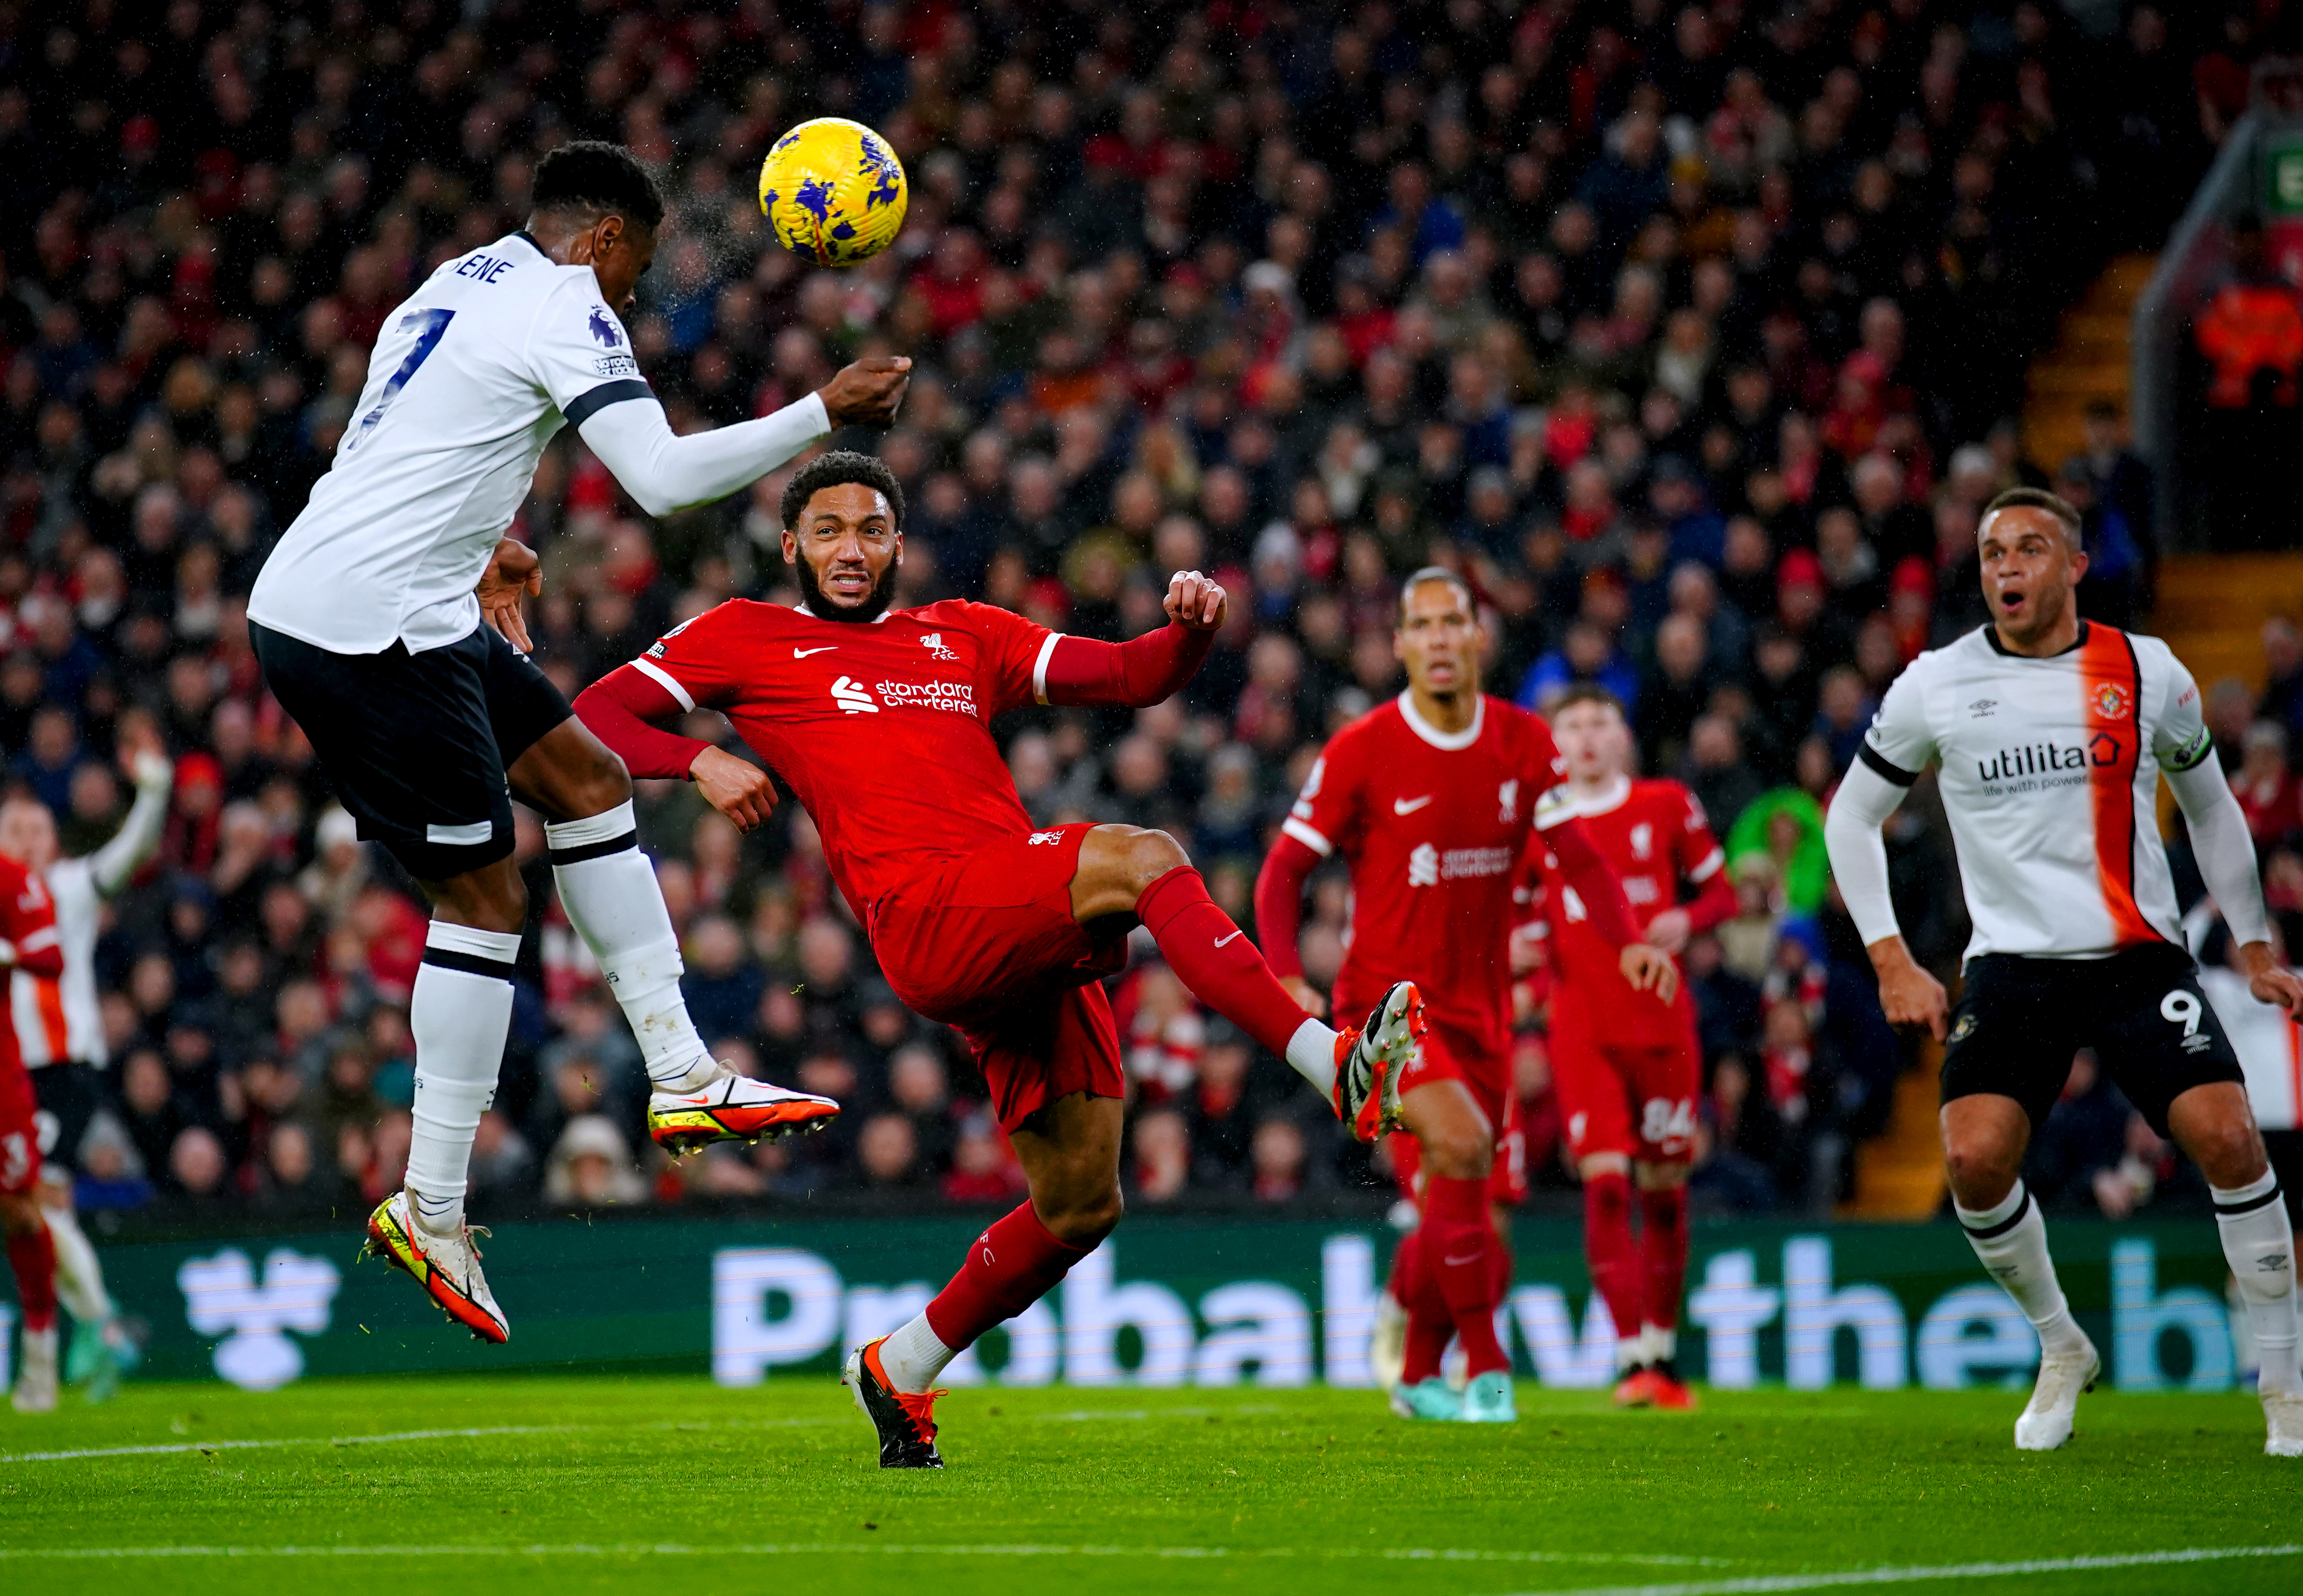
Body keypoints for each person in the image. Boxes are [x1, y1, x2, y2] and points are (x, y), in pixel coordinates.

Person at [574, 450, 1430, 1468]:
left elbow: (1129, 675)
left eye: (872, 530)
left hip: (1009, 919)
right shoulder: (745, 637)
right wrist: (699, 756)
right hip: (925, 914)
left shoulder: (962, 634)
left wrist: (1190, 634)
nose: (852, 549)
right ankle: (1328, 1061)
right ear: (791, 543)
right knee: (1146, 857)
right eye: (831, 530)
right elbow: (593, 712)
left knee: (1081, 1201)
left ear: (899, 543)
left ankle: (901, 1360)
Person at [242, 141, 911, 1343]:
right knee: (487, 898)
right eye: (633, 272)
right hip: (368, 628)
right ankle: (429, 1207)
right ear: (603, 237)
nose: (627, 299)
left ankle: (682, 1073)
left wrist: (484, 542)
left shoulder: (459, 278)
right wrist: (822, 413)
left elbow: (394, 441)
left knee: (589, 778)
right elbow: (657, 481)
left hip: (406, 594)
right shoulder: (565, 305)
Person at [1824, 486, 2303, 1457]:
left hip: (2135, 955)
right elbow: (1849, 816)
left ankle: (2285, 1384)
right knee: (1970, 1159)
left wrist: (2251, 940)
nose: (2004, 567)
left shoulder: (2145, 668)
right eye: (1992, 551)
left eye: (2029, 548)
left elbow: (2208, 805)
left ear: (2074, 566)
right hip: (2011, 965)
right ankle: (2060, 1344)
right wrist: (1890, 957)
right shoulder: (1935, 683)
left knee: (2227, 1134)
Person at [1253, 571, 1679, 1423]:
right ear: (1402, 643)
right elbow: (1282, 871)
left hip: (1483, 1013)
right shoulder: (1362, 749)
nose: (1441, 638)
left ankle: (1415, 1375)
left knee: (1467, 1188)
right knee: (1461, 1145)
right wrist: (1284, 975)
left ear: (1479, 638)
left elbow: (1580, 859)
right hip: (1388, 1010)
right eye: (1424, 625)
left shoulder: (1524, 742)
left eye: (1456, 622)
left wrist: (1630, 937)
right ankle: (1487, 1370)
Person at [1529, 683, 1736, 1409]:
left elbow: (1724, 894)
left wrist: (1687, 917)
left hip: (1661, 1022)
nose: (1586, 737)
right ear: (1554, 746)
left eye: (1600, 723)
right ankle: (1629, 1358)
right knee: (1608, 1182)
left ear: (1624, 738)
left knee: (1665, 1192)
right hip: (1582, 1025)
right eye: (1572, 726)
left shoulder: (1667, 803)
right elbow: (1522, 915)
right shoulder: (1539, 824)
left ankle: (1662, 1351)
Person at [0, 716, 174, 1400]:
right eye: (14, 832)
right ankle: (94, 1329)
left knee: (37, 1201)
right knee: (43, 1209)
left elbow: (127, 856)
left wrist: (152, 794)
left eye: (37, 831)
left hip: (59, 1066)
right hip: (14, 1071)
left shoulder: (68, 888)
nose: (27, 842)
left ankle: (96, 1328)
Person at [0, 845, 65, 1411]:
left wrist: (9, 953)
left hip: (2, 1073)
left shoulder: (11, 877)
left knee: (19, 1210)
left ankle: (41, 1344)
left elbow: (51, 958)